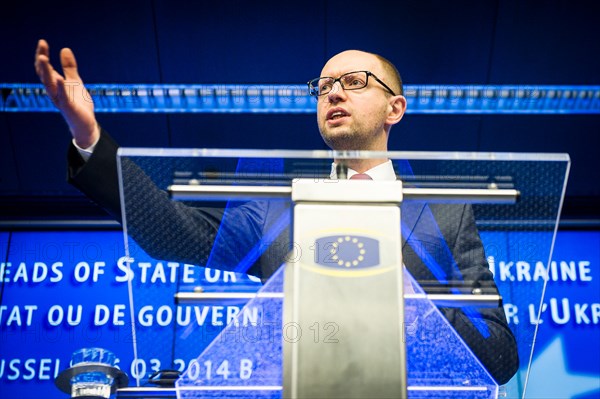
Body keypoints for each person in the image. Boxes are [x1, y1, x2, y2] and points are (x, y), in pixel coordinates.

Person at [34, 39, 519, 384]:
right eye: (324, 85)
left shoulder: (446, 215)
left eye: (353, 81)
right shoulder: (278, 211)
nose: (333, 92)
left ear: (395, 109)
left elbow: (498, 352)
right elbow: (168, 232)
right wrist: (89, 139)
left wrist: (408, 309)